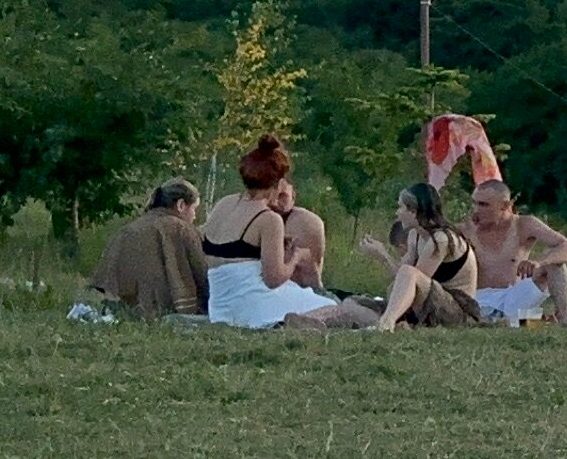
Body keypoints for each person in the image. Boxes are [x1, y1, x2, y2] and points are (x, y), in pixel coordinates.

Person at [201, 138, 374, 329]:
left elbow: (229, 251)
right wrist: (296, 258)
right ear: (277, 183)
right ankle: (293, 322)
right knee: (334, 307)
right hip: (253, 306)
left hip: (220, 307)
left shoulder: (224, 204)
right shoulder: (268, 219)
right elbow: (273, 279)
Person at [362, 181, 484, 331]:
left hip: (459, 312)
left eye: (400, 207)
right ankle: (391, 322)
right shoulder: (415, 235)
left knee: (408, 273)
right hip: (431, 306)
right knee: (352, 304)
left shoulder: (441, 239)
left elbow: (413, 280)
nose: (397, 213)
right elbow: (400, 278)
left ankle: (387, 323)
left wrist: (383, 256)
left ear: (414, 211)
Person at [466, 179, 567, 326]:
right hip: (481, 298)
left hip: (516, 295)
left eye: (484, 205)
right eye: (475, 203)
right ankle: (526, 321)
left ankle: (564, 315)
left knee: (555, 262)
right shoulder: (465, 229)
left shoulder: (524, 224)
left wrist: (539, 262)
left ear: (505, 206)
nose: (476, 210)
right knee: (494, 321)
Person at [85, 179, 209, 321]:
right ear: (181, 205)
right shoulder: (183, 229)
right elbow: (204, 273)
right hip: (167, 312)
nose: (195, 216)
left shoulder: (127, 230)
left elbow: (106, 280)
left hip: (121, 311)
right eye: (194, 209)